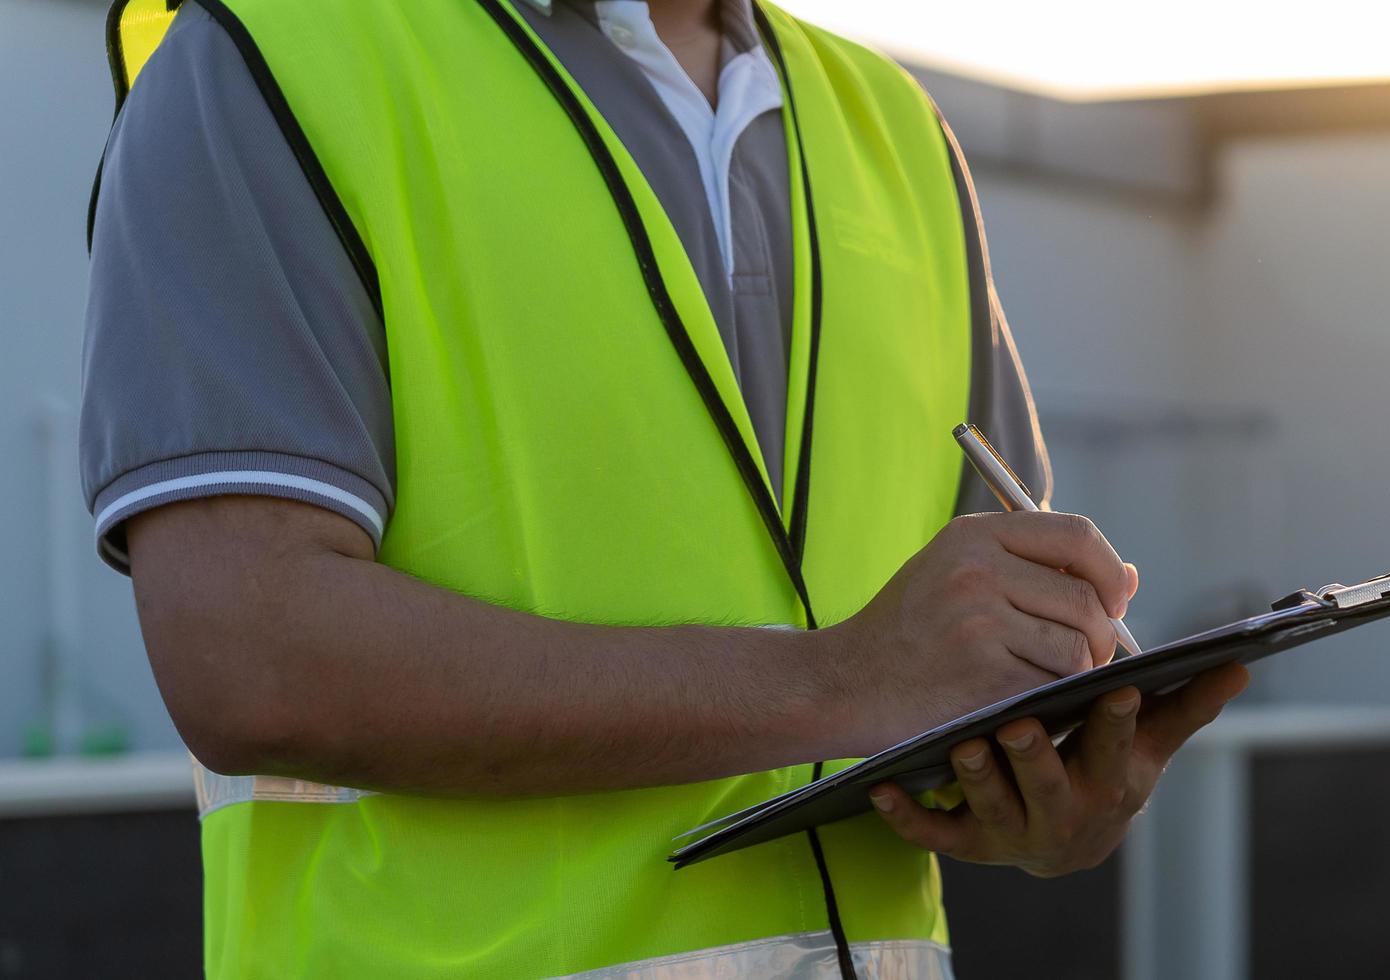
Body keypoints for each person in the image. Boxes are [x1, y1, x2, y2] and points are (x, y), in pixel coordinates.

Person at [80, 0, 1248, 976]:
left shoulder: (893, 126)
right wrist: (837, 680)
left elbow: (961, 667)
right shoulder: (269, 60)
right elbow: (253, 660)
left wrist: (1051, 784)